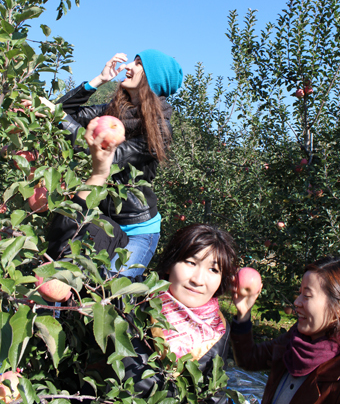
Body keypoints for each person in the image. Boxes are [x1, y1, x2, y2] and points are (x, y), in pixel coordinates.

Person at [46, 50, 183, 277]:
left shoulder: (160, 129)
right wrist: (97, 81)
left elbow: (107, 154)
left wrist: (60, 118)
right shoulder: (113, 112)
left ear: (152, 78)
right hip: (103, 219)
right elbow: (60, 111)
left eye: (138, 64)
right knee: (65, 263)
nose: (129, 65)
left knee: (112, 289)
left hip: (138, 229)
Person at [106, 222, 238, 402]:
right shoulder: (130, 301)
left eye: (213, 269)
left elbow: (213, 394)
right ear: (169, 265)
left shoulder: (218, 329)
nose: (198, 280)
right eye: (191, 262)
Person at [230, 256, 340, 404]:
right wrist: (244, 313)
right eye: (299, 293)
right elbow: (249, 359)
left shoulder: (335, 374)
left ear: (337, 309)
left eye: (307, 295)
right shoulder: (294, 340)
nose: (296, 302)